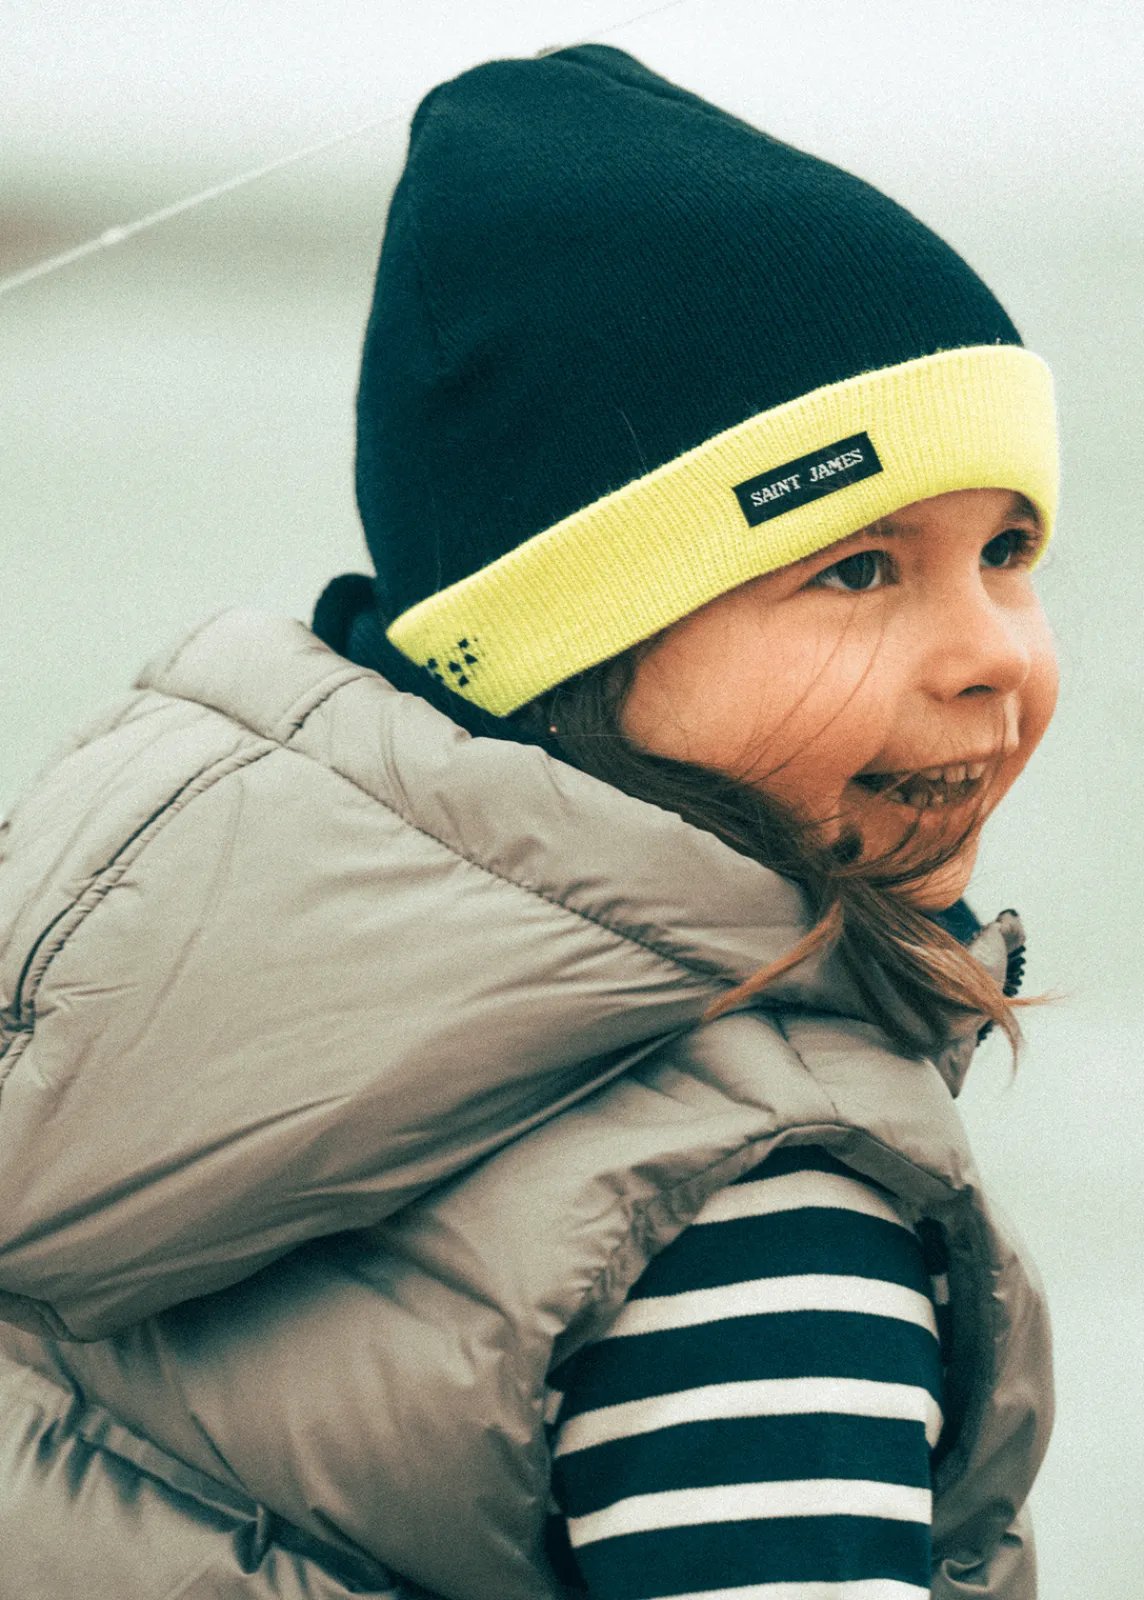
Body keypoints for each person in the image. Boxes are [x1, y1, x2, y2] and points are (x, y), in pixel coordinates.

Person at [0, 43, 1055, 1600]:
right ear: (573, 639)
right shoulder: (754, 1217)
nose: (991, 655)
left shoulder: (179, 1032)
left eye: (1010, 547)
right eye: (858, 569)